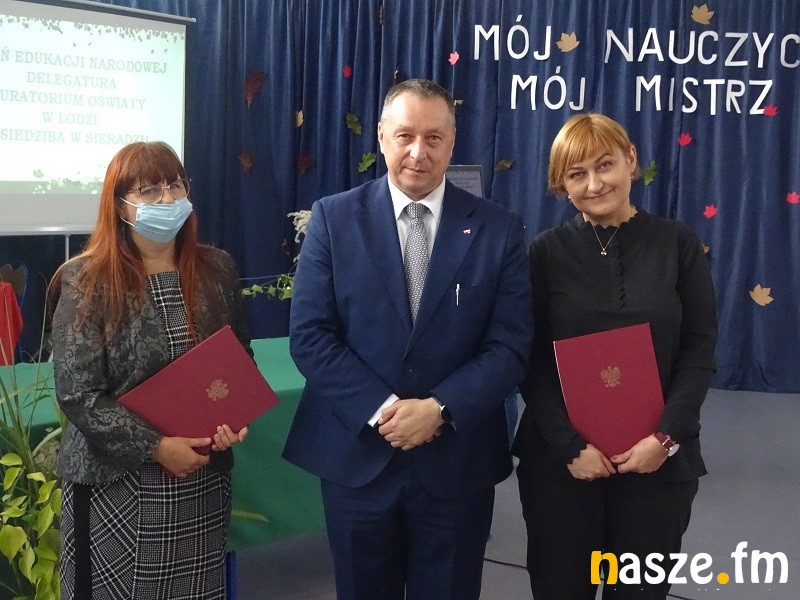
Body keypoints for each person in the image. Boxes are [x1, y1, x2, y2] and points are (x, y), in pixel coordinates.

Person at [283, 78, 533, 600]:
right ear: (381, 136)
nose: (419, 152)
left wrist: (439, 408)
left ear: (452, 141)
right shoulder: (334, 218)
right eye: (405, 136)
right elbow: (310, 336)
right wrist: (385, 410)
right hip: (358, 457)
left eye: (433, 138)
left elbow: (509, 346)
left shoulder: (499, 230)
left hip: (457, 461)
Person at [513, 113, 718, 599]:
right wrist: (569, 446)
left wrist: (665, 438)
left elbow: (699, 349)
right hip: (564, 464)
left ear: (630, 160)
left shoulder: (677, 244)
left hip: (657, 461)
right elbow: (530, 358)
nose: (594, 184)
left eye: (604, 165)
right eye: (576, 174)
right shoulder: (545, 253)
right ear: (561, 184)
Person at [50, 141, 250, 599]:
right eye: (148, 191)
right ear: (120, 206)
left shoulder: (217, 269)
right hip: (117, 485)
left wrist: (233, 418)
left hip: (200, 480)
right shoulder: (86, 279)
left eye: (175, 185)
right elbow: (79, 394)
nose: (166, 199)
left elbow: (238, 359)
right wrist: (156, 447)